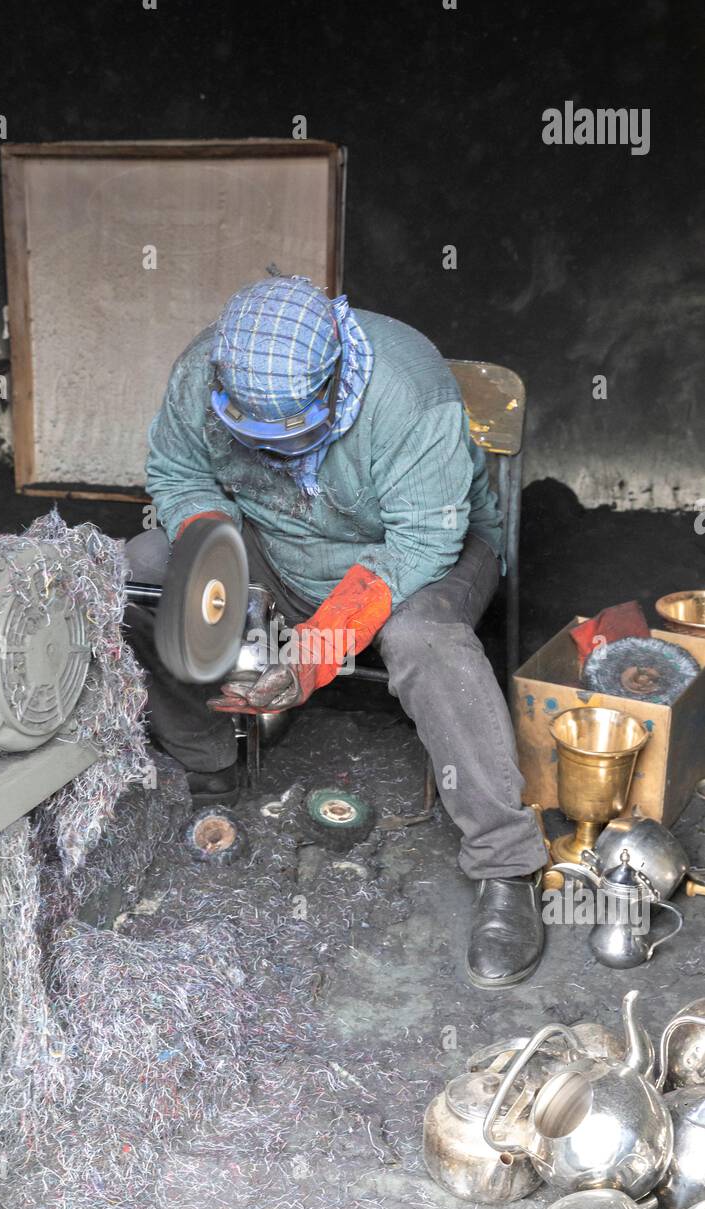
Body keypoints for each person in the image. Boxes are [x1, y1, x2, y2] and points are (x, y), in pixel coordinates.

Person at [125, 276, 549, 989]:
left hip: (421, 550)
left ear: (333, 388)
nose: (277, 453)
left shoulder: (410, 393)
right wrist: (214, 562)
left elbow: (419, 543)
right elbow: (176, 475)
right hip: (279, 544)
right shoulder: (202, 372)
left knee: (423, 641)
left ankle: (507, 866)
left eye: (292, 436)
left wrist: (314, 654)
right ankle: (207, 759)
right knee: (145, 570)